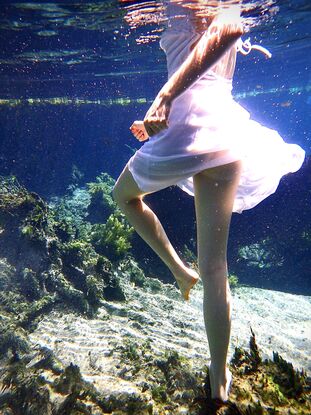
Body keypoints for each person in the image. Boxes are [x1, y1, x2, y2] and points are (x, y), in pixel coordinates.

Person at [113, 0, 305, 404]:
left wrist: (164, 100)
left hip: (186, 136)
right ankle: (219, 376)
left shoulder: (220, 9)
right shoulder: (211, 10)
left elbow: (227, 31)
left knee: (123, 197)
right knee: (216, 267)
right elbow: (200, 66)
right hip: (221, 135)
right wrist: (158, 115)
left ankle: (180, 272)